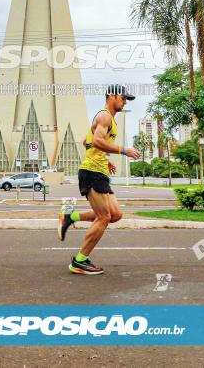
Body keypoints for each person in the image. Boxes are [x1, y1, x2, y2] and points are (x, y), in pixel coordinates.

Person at [58, 84, 140, 275]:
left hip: (99, 170)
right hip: (92, 172)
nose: (125, 101)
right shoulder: (104, 116)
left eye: (127, 99)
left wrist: (105, 158)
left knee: (116, 214)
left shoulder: (109, 119)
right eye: (123, 97)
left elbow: (86, 141)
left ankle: (70, 217)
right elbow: (96, 141)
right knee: (104, 217)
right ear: (111, 95)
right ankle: (80, 261)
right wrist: (123, 150)